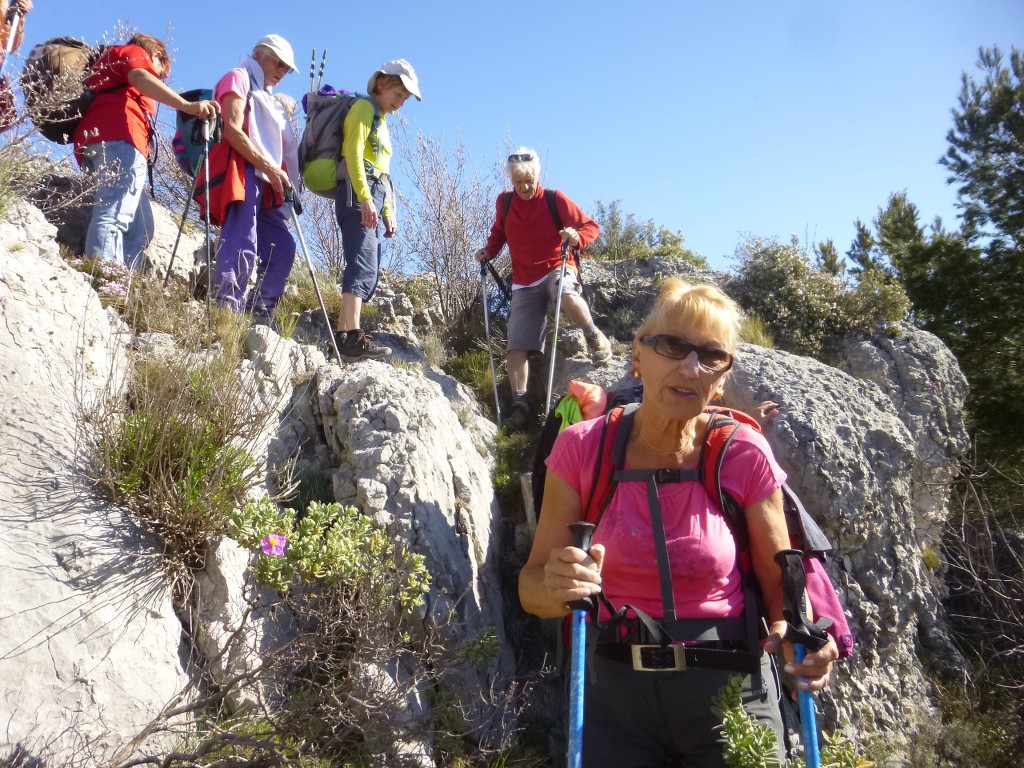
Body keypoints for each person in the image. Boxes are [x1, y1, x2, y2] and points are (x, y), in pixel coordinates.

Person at [518, 278, 838, 767]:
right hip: (613, 702)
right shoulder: (583, 447)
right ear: (638, 356)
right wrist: (557, 585)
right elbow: (532, 589)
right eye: (671, 345)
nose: (690, 366)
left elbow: (782, 599)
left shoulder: (744, 453)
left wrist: (806, 647)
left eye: (711, 356)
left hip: (733, 693)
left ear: (722, 379)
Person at [474, 149, 611, 432]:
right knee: (516, 345)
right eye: (518, 182)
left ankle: (594, 336)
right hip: (524, 279)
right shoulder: (506, 202)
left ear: (538, 175)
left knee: (566, 294)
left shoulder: (554, 199)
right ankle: (520, 404)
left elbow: (591, 226)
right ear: (512, 181)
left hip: (556, 267)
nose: (524, 187)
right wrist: (488, 250)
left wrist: (576, 237)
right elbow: (499, 233)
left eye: (529, 180)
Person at [72, 34, 218, 269]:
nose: (159, 78)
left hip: (100, 142)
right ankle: (104, 277)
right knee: (114, 213)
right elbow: (139, 76)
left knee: (141, 227)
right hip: (118, 137)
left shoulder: (107, 64)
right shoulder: (134, 52)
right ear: (157, 56)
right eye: (161, 72)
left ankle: (122, 282)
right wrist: (187, 106)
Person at [331, 59, 421, 361]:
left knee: (369, 261)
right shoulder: (364, 108)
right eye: (399, 93)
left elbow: (380, 169)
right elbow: (353, 154)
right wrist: (366, 198)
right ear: (382, 83)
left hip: (372, 192)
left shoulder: (380, 119)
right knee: (361, 258)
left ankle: (345, 335)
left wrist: (386, 209)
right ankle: (351, 337)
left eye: (406, 98)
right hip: (358, 192)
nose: (401, 101)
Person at [209, 34, 300, 324]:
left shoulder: (264, 95)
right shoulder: (237, 78)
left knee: (283, 247)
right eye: (280, 63)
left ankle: (259, 314)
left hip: (263, 181)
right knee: (242, 239)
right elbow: (233, 130)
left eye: (288, 68)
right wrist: (270, 167)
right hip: (243, 170)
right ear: (260, 55)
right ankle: (226, 313)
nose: (283, 72)